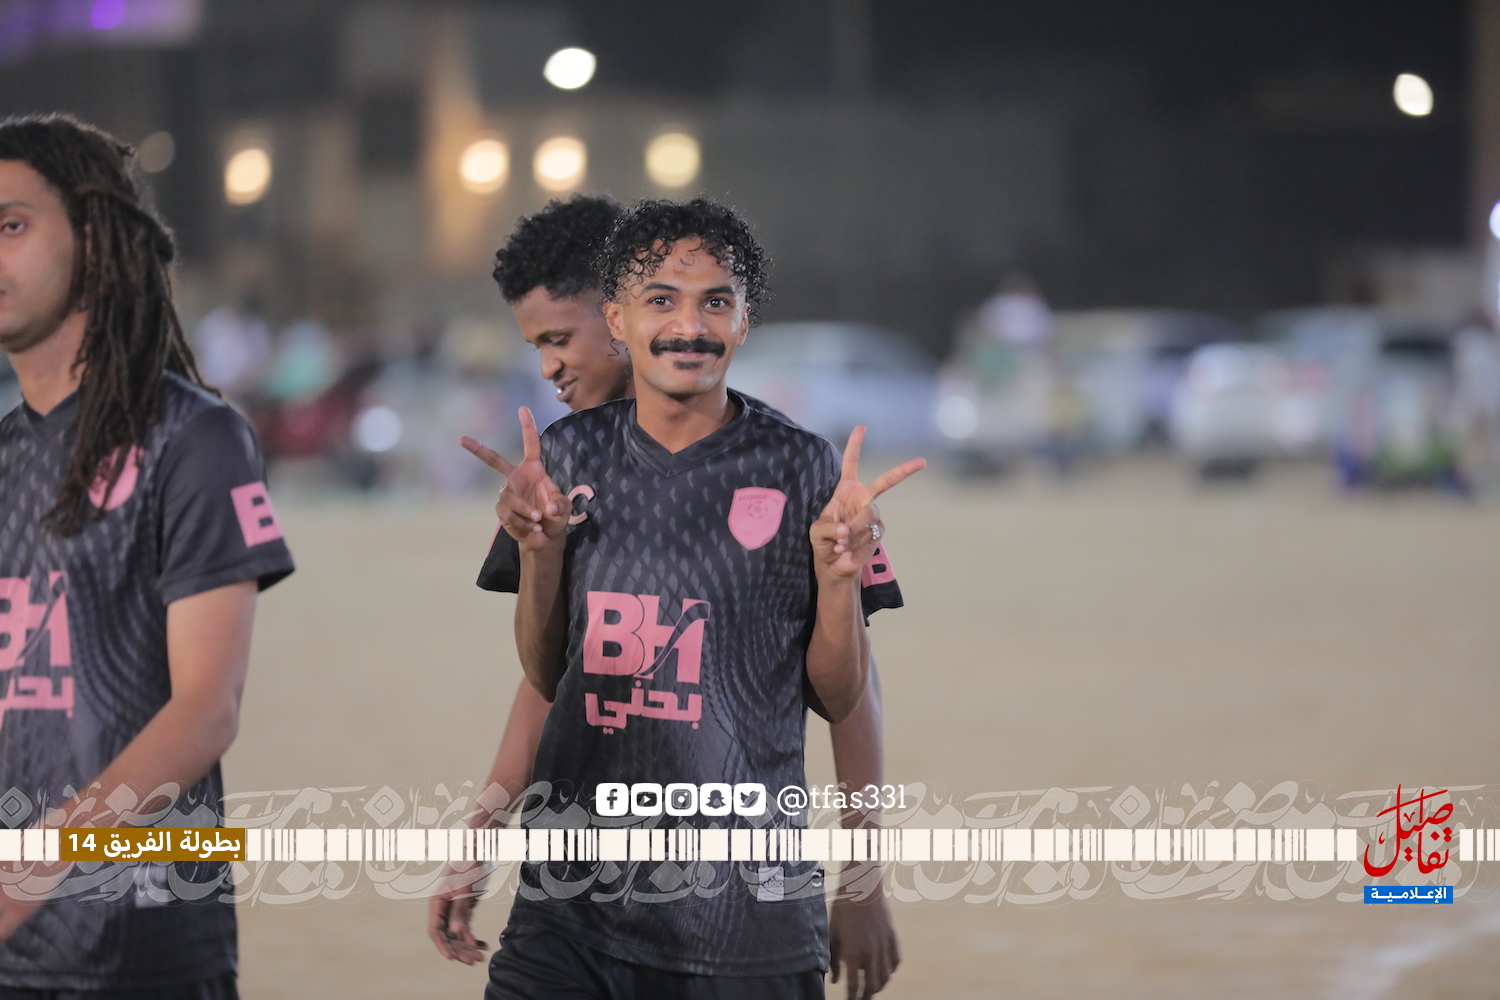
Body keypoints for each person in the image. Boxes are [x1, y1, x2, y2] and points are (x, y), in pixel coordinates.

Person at [431, 195, 903, 997]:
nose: (548, 367)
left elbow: (851, 689)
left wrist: (863, 877)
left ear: (606, 316)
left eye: (556, 338)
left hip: (736, 909)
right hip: (578, 903)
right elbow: (566, 671)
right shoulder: (561, 465)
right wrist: (486, 828)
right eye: (534, 345)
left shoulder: (792, 464)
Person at [0, 114, 294, 995]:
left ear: (94, 240)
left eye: (11, 225)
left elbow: (207, 709)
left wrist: (33, 870)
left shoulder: (192, 437)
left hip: (139, 943)